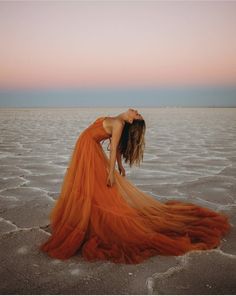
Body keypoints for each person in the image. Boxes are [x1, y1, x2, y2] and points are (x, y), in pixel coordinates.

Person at [39, 108, 231, 264]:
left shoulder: (120, 123)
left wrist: (111, 172)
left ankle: (91, 223)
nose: (136, 111)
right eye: (138, 112)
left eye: (137, 115)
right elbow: (118, 146)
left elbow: (114, 148)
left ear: (131, 121)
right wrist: (121, 166)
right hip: (87, 149)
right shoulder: (117, 120)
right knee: (87, 188)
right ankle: (86, 219)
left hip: (90, 152)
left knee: (96, 191)